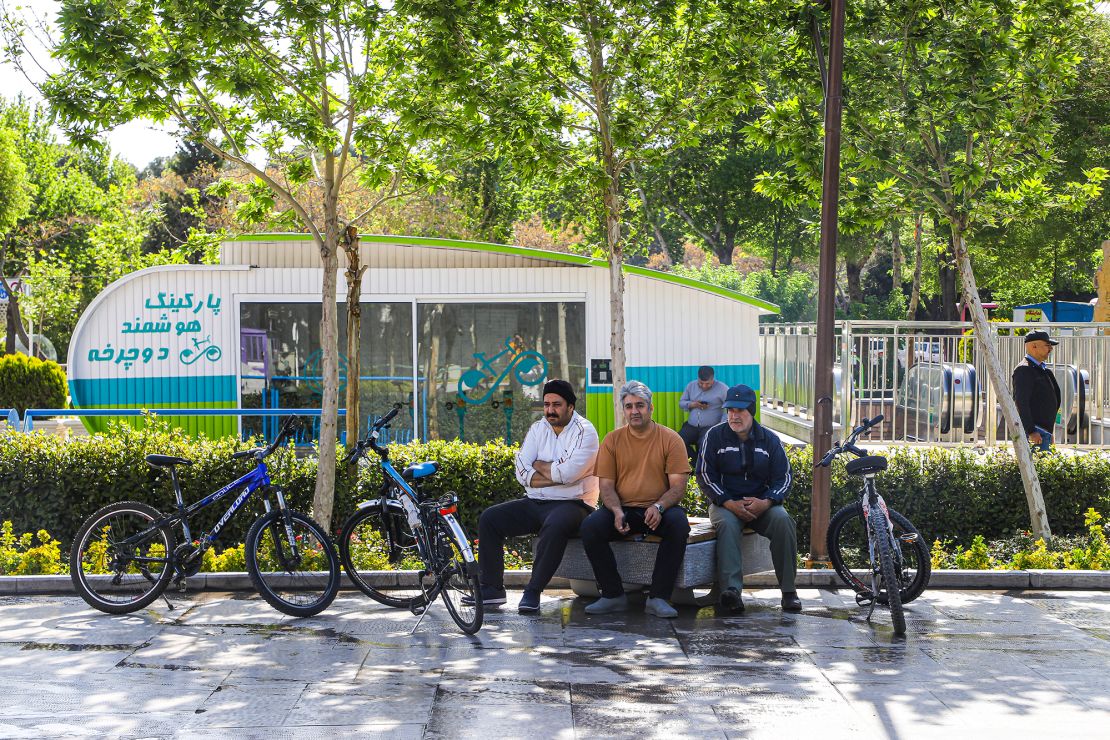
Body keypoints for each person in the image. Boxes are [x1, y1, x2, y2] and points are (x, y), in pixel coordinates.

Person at [469, 379, 600, 613]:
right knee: (490, 518)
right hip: (535, 501)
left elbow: (570, 474)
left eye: (557, 404)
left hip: (574, 504)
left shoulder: (585, 431)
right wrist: (555, 472)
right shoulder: (539, 428)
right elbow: (521, 470)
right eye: (547, 404)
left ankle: (533, 591)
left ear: (570, 406)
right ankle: (491, 589)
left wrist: (539, 467)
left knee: (555, 525)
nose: (550, 410)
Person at [580, 381, 691, 619]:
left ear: (651, 408)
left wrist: (659, 506)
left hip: (658, 510)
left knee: (679, 525)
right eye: (629, 406)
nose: (634, 411)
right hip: (623, 510)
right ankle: (612, 595)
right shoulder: (612, 440)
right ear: (623, 410)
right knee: (590, 527)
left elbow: (678, 487)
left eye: (640, 405)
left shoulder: (671, 439)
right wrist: (617, 511)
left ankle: (658, 597)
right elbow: (606, 486)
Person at [696, 384, 802, 613]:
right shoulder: (713, 436)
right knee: (726, 525)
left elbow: (784, 478)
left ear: (751, 411)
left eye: (740, 410)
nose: (734, 416)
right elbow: (704, 475)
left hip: (761, 504)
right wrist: (727, 502)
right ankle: (732, 593)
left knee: (783, 521)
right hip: (724, 503)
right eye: (730, 410)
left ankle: (789, 592)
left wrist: (767, 502)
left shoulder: (770, 440)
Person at [1012, 330, 1061, 452]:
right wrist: (1031, 431)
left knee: (1044, 469)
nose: (1050, 349)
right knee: (1036, 469)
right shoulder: (1024, 370)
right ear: (1033, 346)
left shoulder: (1043, 370)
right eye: (1047, 345)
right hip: (1036, 434)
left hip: (1044, 433)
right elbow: (1021, 402)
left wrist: (1049, 432)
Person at [678, 366, 728, 461]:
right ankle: (695, 464)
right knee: (677, 441)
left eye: (707, 383)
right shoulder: (691, 386)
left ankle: (702, 467)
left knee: (704, 443)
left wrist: (721, 425)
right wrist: (693, 404)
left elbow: (728, 408)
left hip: (711, 426)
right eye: (701, 383)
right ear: (698, 378)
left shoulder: (723, 388)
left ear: (713, 379)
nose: (704, 386)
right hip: (691, 425)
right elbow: (681, 403)